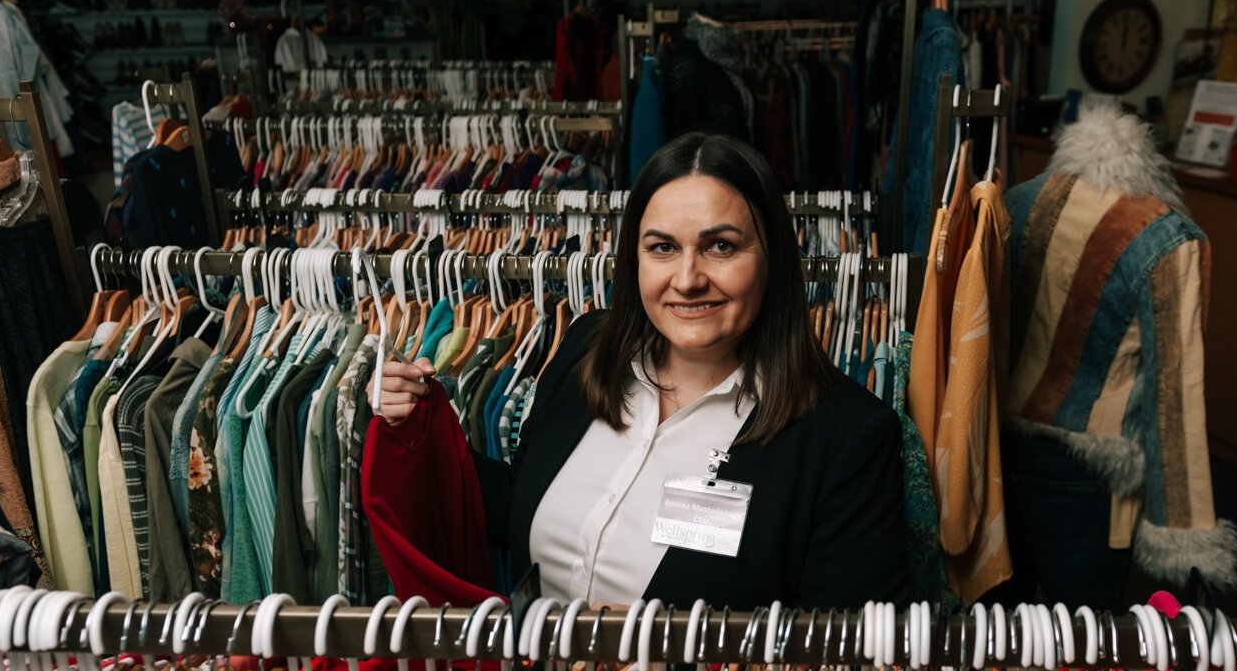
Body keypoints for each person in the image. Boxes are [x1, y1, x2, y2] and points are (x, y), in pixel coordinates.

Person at [377, 132, 908, 608]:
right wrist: (423, 425)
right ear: (636, 259)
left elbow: (839, 666)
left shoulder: (846, 438)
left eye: (721, 247)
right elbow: (523, 502)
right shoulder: (588, 349)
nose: (687, 278)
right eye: (662, 248)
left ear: (771, 259)